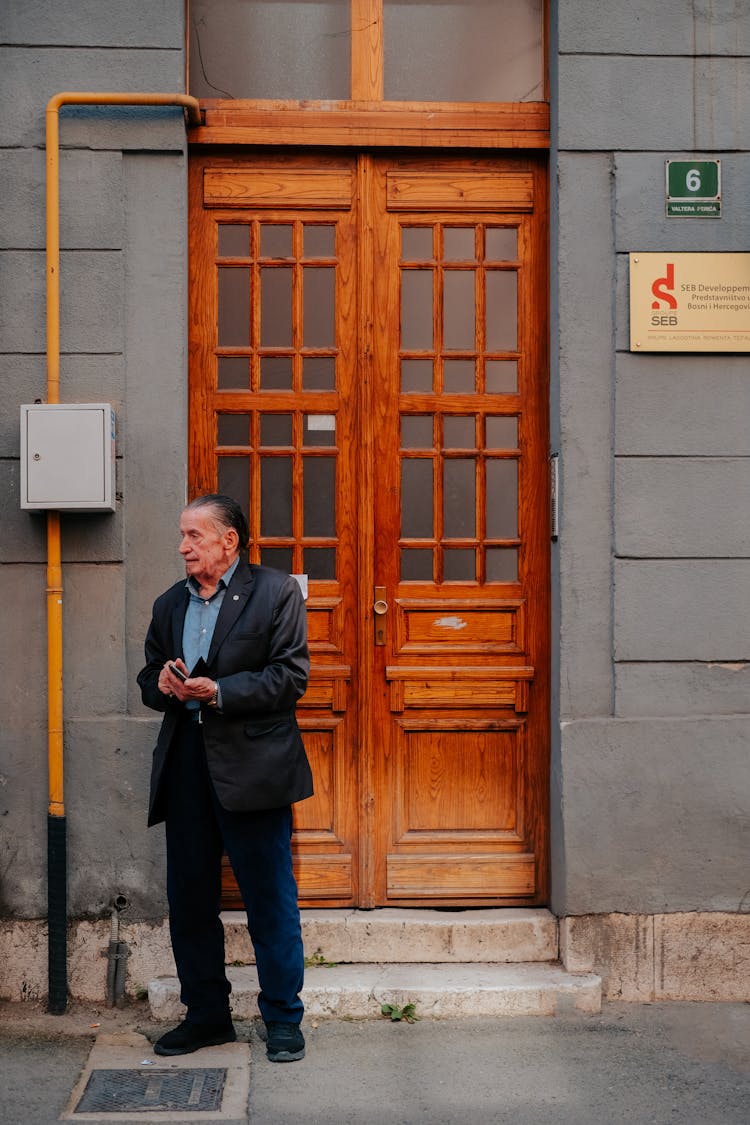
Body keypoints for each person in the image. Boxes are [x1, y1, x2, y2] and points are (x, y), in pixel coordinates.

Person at [137, 493, 312, 1062]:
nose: (183, 546)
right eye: (183, 536)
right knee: (189, 900)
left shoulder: (275, 591)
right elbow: (147, 674)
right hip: (187, 765)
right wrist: (160, 684)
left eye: (194, 536)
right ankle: (207, 1016)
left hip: (255, 767)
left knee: (269, 899)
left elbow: (290, 678)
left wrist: (221, 692)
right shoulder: (170, 604)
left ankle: (284, 1019)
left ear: (228, 541)